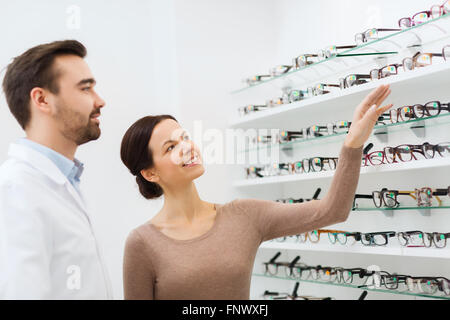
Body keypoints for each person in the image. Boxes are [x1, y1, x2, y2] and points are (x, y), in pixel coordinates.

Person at [120, 85, 393, 300]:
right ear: (150, 173)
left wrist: (353, 144)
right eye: (170, 148)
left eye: (185, 137)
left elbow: (332, 210)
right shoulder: (142, 243)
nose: (186, 147)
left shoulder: (244, 216)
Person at [0, 40, 112, 299]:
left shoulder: (64, 181)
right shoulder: (15, 189)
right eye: (86, 88)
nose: (100, 101)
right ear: (42, 99)